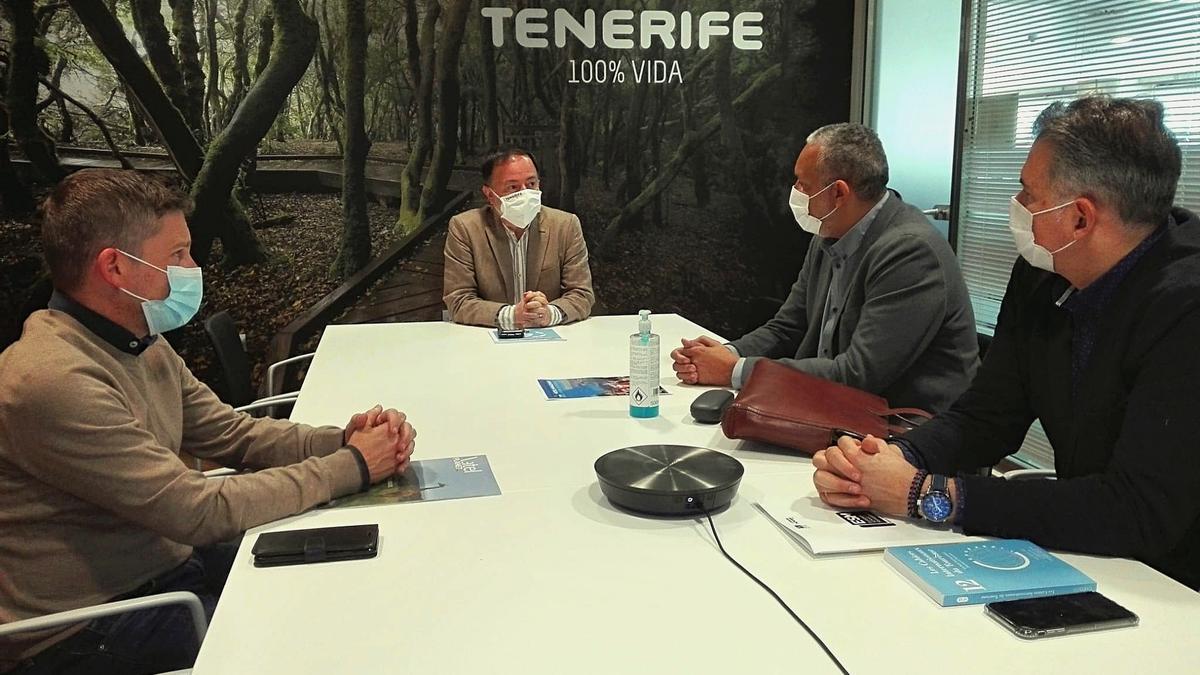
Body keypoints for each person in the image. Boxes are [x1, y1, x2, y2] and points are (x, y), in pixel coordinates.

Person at [0, 169, 417, 674]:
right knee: (315, 643)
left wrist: (340, 440)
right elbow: (193, 509)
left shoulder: (137, 340)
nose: (194, 268)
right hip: (92, 627)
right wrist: (353, 465)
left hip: (167, 569)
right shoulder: (51, 379)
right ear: (115, 268)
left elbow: (231, 434)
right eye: (177, 255)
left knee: (352, 584)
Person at [812, 96, 1200, 590]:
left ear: (1080, 218)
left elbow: (1138, 509)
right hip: (1099, 556)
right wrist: (891, 459)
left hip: (1174, 584)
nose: (1016, 209)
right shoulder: (1043, 271)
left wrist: (924, 494)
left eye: (1029, 195)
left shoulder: (1186, 308)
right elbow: (988, 415)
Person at [671, 123, 978, 413]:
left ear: (839, 193)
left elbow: (859, 373)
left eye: (803, 184)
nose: (795, 191)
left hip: (903, 432)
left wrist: (734, 372)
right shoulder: (830, 230)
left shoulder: (910, 252)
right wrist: (727, 354)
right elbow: (788, 326)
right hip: (833, 409)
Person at [443, 147, 595, 329]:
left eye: (531, 184)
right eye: (513, 187)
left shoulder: (566, 225)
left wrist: (549, 313)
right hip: (486, 339)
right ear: (490, 195)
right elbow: (458, 300)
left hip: (549, 339)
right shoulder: (465, 228)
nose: (525, 193)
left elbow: (582, 294)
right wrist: (512, 315)